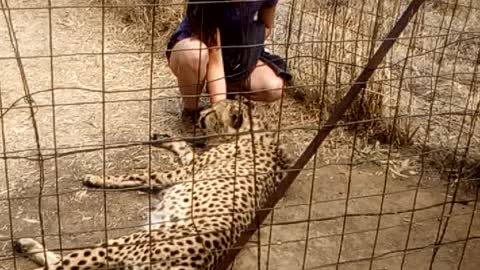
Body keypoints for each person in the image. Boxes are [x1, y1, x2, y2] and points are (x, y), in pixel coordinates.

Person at [166, 0, 292, 123]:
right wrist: (221, 116)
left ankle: (227, 87)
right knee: (194, 54)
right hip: (195, 44)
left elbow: (267, 26)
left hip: (234, 50)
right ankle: (191, 112)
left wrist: (248, 45)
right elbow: (215, 57)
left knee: (273, 87)